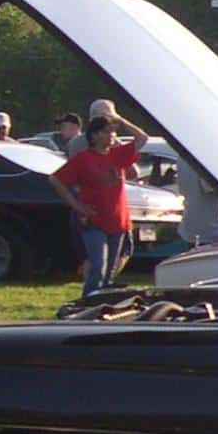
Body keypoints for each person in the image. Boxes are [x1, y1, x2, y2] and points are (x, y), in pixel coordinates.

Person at [50, 113, 148, 299]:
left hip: (118, 222)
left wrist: (122, 120)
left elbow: (142, 138)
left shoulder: (117, 155)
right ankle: (87, 302)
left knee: (109, 272)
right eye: (106, 132)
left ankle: (101, 305)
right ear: (94, 135)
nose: (112, 135)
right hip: (94, 221)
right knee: (97, 265)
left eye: (113, 132)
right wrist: (77, 205)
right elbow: (56, 180)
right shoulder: (83, 158)